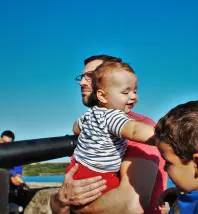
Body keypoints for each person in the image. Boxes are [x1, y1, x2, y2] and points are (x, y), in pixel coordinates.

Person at [50, 55, 167, 214]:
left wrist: (72, 208)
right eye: (82, 77)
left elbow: (130, 206)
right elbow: (59, 205)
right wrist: (61, 199)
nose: (82, 82)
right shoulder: (94, 122)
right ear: (102, 95)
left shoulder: (137, 124)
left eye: (91, 77)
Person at [67, 61, 155, 194]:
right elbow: (133, 130)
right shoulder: (112, 116)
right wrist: (166, 136)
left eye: (135, 91)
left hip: (77, 167)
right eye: (126, 93)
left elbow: (75, 128)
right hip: (99, 176)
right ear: (102, 96)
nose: (134, 97)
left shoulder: (90, 114)